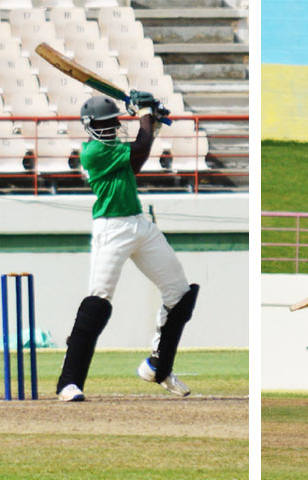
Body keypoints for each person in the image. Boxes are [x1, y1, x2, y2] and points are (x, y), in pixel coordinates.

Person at [55, 93, 199, 402]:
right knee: (98, 303)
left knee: (181, 294)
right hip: (111, 227)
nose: (109, 129)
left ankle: (158, 366)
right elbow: (141, 147)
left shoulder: (115, 149)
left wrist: (152, 123)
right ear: (90, 127)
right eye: (104, 124)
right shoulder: (92, 152)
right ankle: (69, 382)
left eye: (112, 124)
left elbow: (137, 160)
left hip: (139, 223)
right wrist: (146, 113)